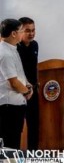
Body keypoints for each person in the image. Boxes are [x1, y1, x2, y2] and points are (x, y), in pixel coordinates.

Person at [0, 19, 33, 149]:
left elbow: (18, 74)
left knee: (14, 141)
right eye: (21, 31)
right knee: (10, 144)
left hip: (15, 103)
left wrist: (27, 85)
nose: (23, 34)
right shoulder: (5, 53)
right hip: (9, 106)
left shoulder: (12, 48)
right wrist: (27, 91)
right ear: (14, 33)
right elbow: (13, 82)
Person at [16, 17, 39, 150]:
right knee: (18, 126)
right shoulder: (14, 47)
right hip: (20, 91)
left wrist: (36, 81)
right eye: (27, 30)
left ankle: (33, 152)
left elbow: (35, 65)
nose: (31, 33)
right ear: (19, 31)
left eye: (33, 30)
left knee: (34, 123)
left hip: (33, 91)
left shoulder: (35, 44)